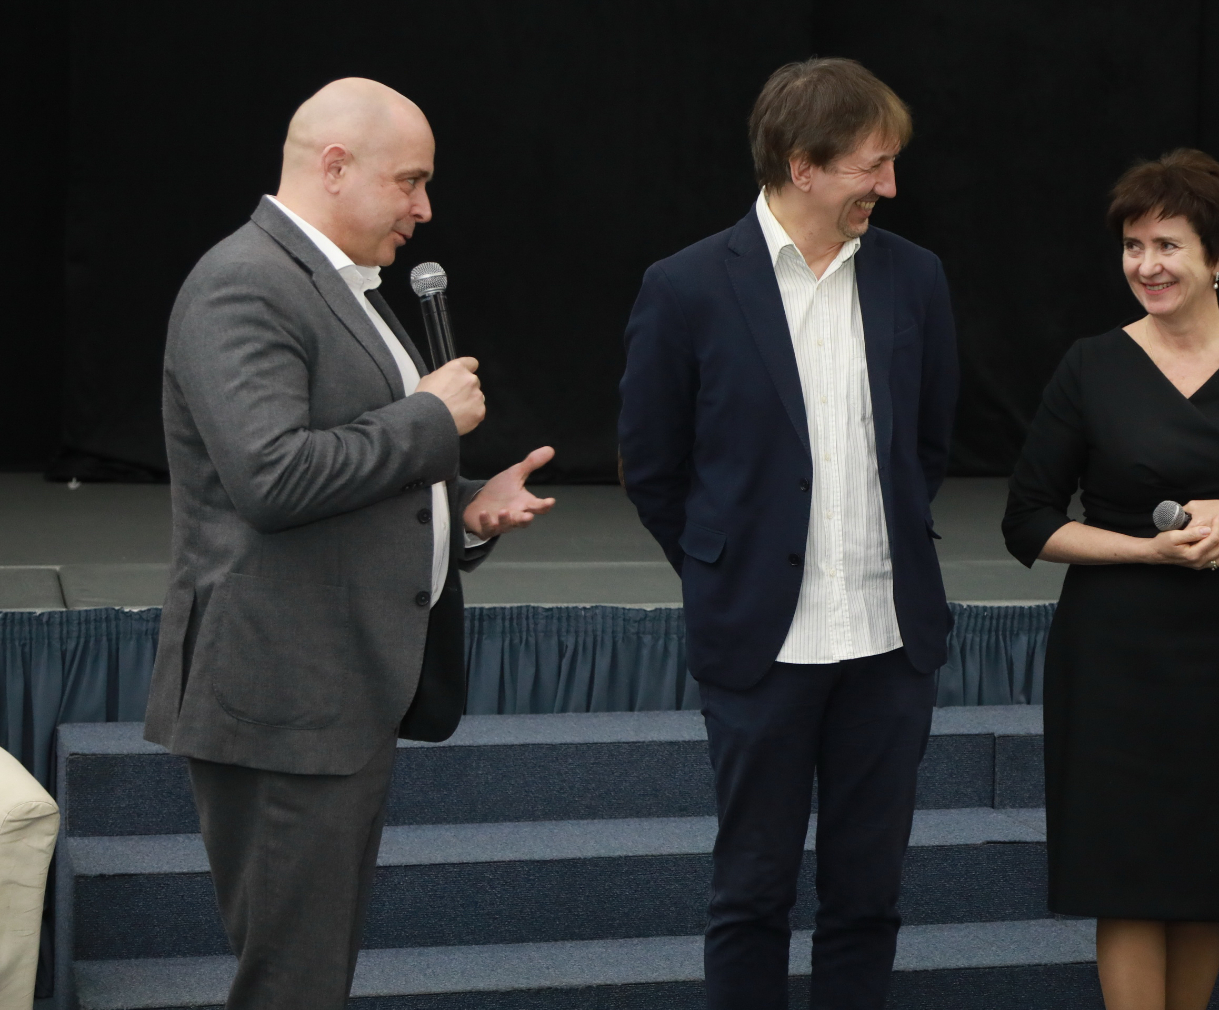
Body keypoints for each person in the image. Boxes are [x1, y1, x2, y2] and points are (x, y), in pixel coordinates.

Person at [143, 78, 557, 1009]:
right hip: (284, 701)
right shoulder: (244, 282)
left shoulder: (337, 285)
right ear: (335, 167)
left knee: (311, 975)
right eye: (410, 181)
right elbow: (273, 478)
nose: (425, 208)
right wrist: (428, 419)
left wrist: (463, 509)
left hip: (336, 695)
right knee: (292, 983)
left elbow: (356, 473)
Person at [618, 58, 958, 1009]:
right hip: (761, 645)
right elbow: (652, 467)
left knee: (868, 898)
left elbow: (928, 444)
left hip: (888, 645)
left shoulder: (915, 277)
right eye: (871, 166)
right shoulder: (686, 286)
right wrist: (727, 568)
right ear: (802, 165)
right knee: (751, 895)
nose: (890, 186)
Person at [1003, 148, 1219, 1010]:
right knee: (1123, 873)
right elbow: (1029, 520)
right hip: (1114, 653)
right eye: (1133, 246)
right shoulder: (1091, 364)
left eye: (1167, 245)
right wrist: (1146, 551)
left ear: (1218, 255)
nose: (1146, 265)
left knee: (1209, 869)